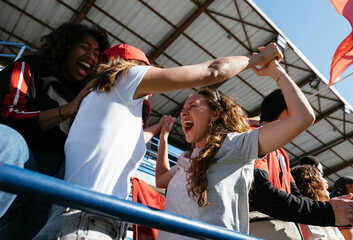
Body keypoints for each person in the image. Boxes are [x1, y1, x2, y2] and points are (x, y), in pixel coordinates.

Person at [33, 42, 282, 239]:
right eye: (148, 69)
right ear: (132, 67)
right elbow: (212, 71)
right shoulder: (126, 78)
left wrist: (161, 131)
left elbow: (128, 141)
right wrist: (257, 59)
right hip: (88, 219)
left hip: (83, 215)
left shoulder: (99, 100)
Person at [155, 51, 317, 239]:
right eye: (183, 110)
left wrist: (275, 70)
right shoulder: (186, 159)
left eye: (192, 106)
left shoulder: (235, 145)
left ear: (215, 114)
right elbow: (160, 180)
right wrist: (164, 137)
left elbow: (303, 117)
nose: (184, 113)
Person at [0, 22, 110, 239]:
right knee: (10, 142)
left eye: (96, 53)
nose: (91, 56)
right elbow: (6, 115)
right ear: (66, 46)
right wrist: (66, 111)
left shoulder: (88, 96)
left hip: (54, 180)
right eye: (85, 47)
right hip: (20, 160)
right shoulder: (29, 67)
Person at [249, 89, 353, 240]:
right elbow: (260, 193)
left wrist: (329, 206)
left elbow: (295, 194)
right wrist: (327, 210)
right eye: (303, 114)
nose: (304, 125)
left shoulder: (281, 152)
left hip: (279, 228)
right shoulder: (252, 137)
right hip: (255, 227)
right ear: (289, 112)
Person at [291, 165, 345, 240]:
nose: (326, 181)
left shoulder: (325, 214)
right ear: (310, 182)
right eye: (320, 177)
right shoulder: (306, 214)